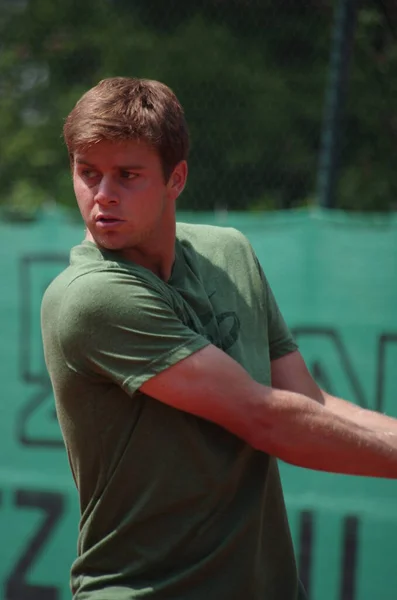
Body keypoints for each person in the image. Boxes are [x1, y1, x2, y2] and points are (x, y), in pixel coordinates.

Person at [41, 76, 397, 600]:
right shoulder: (91, 298)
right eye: (88, 173)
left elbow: (306, 402)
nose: (102, 196)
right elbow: (265, 417)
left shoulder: (230, 253)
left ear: (175, 178)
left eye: (127, 175)